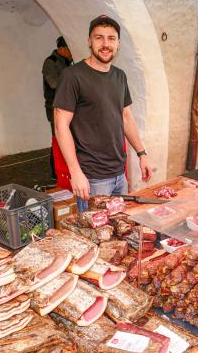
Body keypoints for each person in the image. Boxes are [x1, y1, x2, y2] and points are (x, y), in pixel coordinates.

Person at [53, 15, 152, 211]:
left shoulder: (119, 76)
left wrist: (142, 153)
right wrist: (76, 173)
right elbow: (60, 125)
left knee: (119, 230)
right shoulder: (73, 76)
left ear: (118, 44)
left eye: (111, 38)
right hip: (92, 177)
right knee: (96, 236)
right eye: (99, 37)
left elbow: (126, 117)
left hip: (119, 174)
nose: (105, 44)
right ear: (89, 41)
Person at [42, 36, 73, 179]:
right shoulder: (50, 62)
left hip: (69, 107)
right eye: (69, 49)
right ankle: (56, 171)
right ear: (61, 49)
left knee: (69, 137)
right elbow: (53, 83)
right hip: (55, 108)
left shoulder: (68, 63)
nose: (71, 52)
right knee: (58, 138)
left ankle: (68, 168)